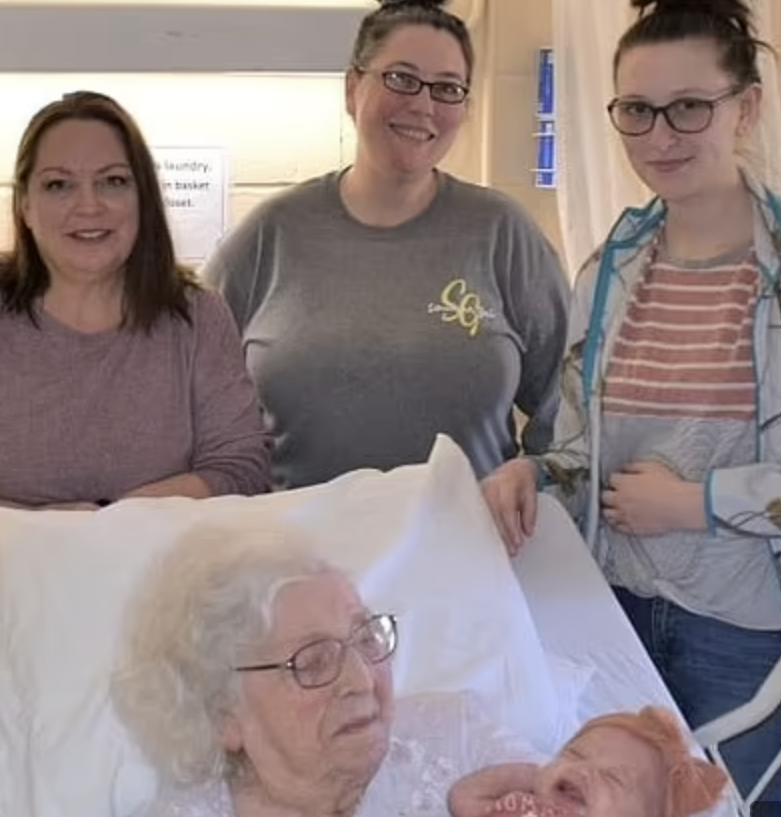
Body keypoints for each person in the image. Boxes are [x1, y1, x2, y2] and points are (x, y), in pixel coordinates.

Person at [481, 0, 781, 803]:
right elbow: (584, 452)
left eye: (690, 107)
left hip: (745, 632)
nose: (659, 137)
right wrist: (534, 474)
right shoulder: (611, 268)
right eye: (638, 111)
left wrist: (698, 503)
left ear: (745, 106)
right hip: (614, 613)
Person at [201, 0, 569, 489]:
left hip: (466, 552)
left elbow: (569, 413)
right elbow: (193, 412)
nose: (422, 104)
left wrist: (538, 483)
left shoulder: (503, 234)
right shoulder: (267, 237)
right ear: (353, 89)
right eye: (401, 78)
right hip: (298, 555)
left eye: (447, 88)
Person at [0, 91, 271, 522]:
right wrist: (23, 528)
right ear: (25, 204)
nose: (89, 205)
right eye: (58, 185)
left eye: (113, 181)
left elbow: (242, 469)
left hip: (156, 579)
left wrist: (113, 522)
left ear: (144, 198)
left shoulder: (197, 316)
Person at [110, 521, 541, 817]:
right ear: (224, 715)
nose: (361, 680)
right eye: (313, 662)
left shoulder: (456, 738)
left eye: (367, 637)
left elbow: (596, 794)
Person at [448, 707, 729, 817]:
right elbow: (461, 799)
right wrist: (526, 777)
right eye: (575, 755)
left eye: (613, 778)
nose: (583, 770)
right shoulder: (524, 808)